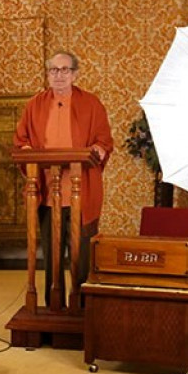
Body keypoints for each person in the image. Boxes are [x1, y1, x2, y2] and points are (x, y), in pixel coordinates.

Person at [14, 51, 114, 304]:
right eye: (54, 70)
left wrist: (99, 150)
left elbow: (104, 141)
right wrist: (26, 151)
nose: (59, 75)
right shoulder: (34, 104)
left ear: (75, 74)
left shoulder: (91, 103)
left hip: (82, 192)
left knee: (81, 257)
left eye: (65, 70)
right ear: (48, 74)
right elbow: (21, 139)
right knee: (52, 256)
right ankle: (53, 306)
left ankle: (81, 308)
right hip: (48, 193)